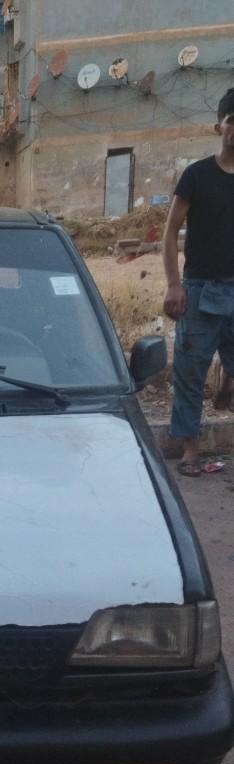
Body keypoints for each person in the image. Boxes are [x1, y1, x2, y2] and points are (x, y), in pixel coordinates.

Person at [163, 87, 234, 476]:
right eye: (232, 120)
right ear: (219, 127)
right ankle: (190, 450)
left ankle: (228, 383)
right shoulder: (196, 175)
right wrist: (174, 285)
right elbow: (171, 231)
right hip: (200, 290)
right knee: (189, 373)